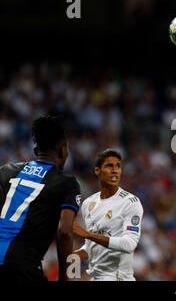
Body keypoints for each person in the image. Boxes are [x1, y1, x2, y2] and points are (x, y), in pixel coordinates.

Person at [0, 115, 81, 281]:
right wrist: (67, 278)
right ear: (63, 151)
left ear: (36, 151)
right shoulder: (68, 183)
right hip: (22, 267)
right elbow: (65, 232)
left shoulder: (6, 171)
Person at [72, 149, 143, 281]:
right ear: (97, 171)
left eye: (118, 166)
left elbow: (129, 244)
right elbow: (92, 247)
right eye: (109, 166)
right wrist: (73, 256)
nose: (115, 170)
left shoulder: (130, 202)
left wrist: (89, 235)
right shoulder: (88, 203)